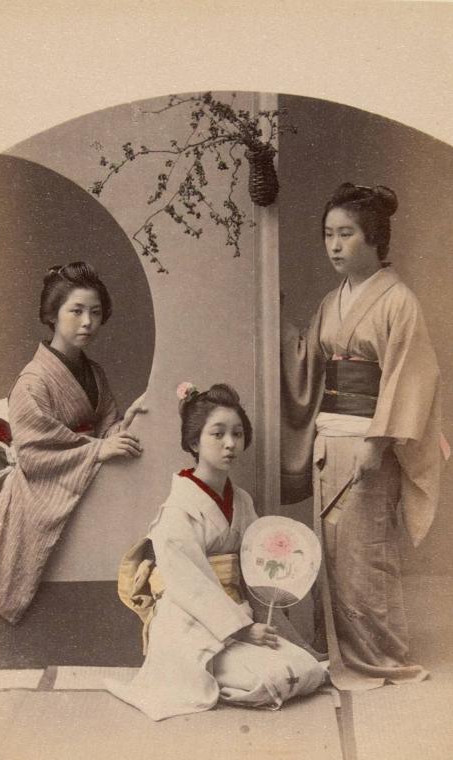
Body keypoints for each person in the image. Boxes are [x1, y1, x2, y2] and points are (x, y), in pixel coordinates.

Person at [281, 183, 443, 689]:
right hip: (329, 438)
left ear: (373, 237)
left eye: (345, 233)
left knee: (366, 553)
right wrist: (278, 324)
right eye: (328, 234)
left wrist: (377, 442)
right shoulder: (333, 301)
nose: (334, 245)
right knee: (331, 549)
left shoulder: (399, 302)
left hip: (371, 440)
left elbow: (409, 376)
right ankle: (338, 651)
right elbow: (310, 362)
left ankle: (379, 654)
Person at [105, 383, 326, 721]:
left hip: (236, 614)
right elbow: (189, 585)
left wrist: (261, 620)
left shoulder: (242, 501)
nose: (230, 444)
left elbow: (252, 567)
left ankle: (244, 664)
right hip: (190, 622)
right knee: (273, 679)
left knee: (305, 669)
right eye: (217, 434)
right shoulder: (178, 509)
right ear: (194, 442)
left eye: (237, 434)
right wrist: (240, 629)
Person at [0, 261, 147, 623]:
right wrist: (98, 448)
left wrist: (125, 426)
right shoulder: (32, 381)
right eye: (76, 311)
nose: (87, 322)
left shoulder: (94, 372)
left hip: (83, 480)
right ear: (52, 314)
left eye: (95, 313)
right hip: (40, 488)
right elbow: (35, 454)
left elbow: (108, 425)